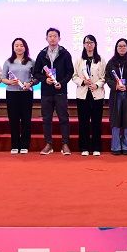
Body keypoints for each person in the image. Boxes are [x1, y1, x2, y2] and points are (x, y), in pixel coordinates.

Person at [33, 28, 74, 156]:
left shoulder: (65, 54)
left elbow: (70, 72)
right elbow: (36, 73)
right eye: (50, 36)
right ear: (46, 38)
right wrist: (45, 80)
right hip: (46, 92)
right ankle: (48, 144)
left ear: (59, 38)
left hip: (60, 91)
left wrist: (62, 82)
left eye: (55, 36)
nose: (52, 38)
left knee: (63, 118)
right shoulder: (41, 54)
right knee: (46, 119)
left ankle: (65, 144)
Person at [2, 37, 37, 154]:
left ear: (25, 47)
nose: (19, 47)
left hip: (26, 93)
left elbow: (36, 78)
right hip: (12, 93)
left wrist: (30, 83)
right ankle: (15, 145)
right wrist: (10, 82)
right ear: (13, 48)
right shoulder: (8, 61)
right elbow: (3, 78)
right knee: (13, 119)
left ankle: (25, 145)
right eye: (16, 45)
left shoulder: (31, 62)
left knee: (26, 119)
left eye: (21, 45)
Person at [72, 34, 106, 156]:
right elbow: (74, 76)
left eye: (91, 42)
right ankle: (84, 147)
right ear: (83, 45)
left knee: (96, 122)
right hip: (83, 94)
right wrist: (82, 82)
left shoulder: (101, 60)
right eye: (87, 42)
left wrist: (97, 85)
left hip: (97, 94)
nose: (89, 45)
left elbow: (104, 77)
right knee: (83, 122)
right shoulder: (79, 60)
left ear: (95, 44)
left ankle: (96, 147)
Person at [105, 38, 127, 155]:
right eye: (119, 46)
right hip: (115, 95)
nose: (122, 48)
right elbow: (107, 77)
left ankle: (126, 147)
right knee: (115, 120)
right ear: (116, 48)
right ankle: (115, 147)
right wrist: (115, 86)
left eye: (124, 46)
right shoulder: (111, 62)